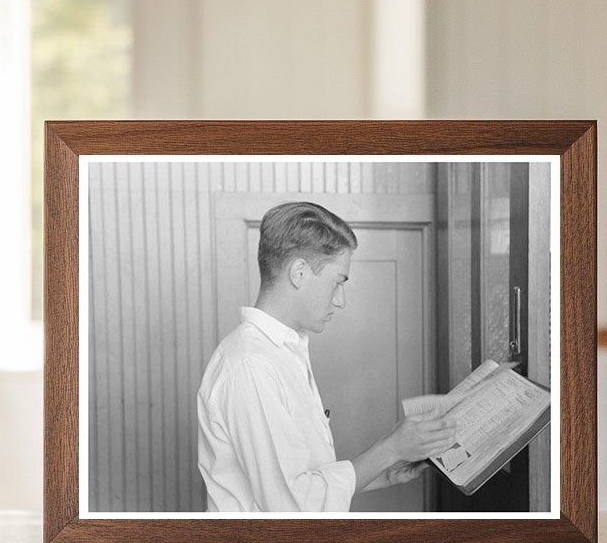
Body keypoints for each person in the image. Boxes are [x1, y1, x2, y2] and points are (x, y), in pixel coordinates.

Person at [196, 200, 458, 513]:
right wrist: (389, 449)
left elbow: (302, 482)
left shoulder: (281, 351)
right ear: (299, 272)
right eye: (338, 282)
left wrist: (384, 472)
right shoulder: (251, 366)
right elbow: (293, 506)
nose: (341, 300)